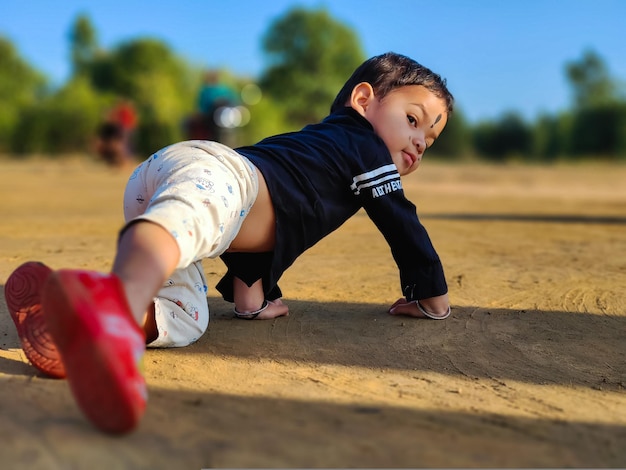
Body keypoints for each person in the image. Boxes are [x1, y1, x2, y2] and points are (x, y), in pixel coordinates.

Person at [4, 52, 453, 434]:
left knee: (188, 317)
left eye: (430, 140)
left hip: (178, 184)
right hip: (222, 176)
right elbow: (400, 221)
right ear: (363, 100)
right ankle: (114, 303)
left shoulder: (316, 152)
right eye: (413, 120)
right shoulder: (365, 150)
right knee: (187, 222)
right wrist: (430, 295)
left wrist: (254, 303)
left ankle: (89, 322)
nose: (418, 140)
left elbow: (261, 233)